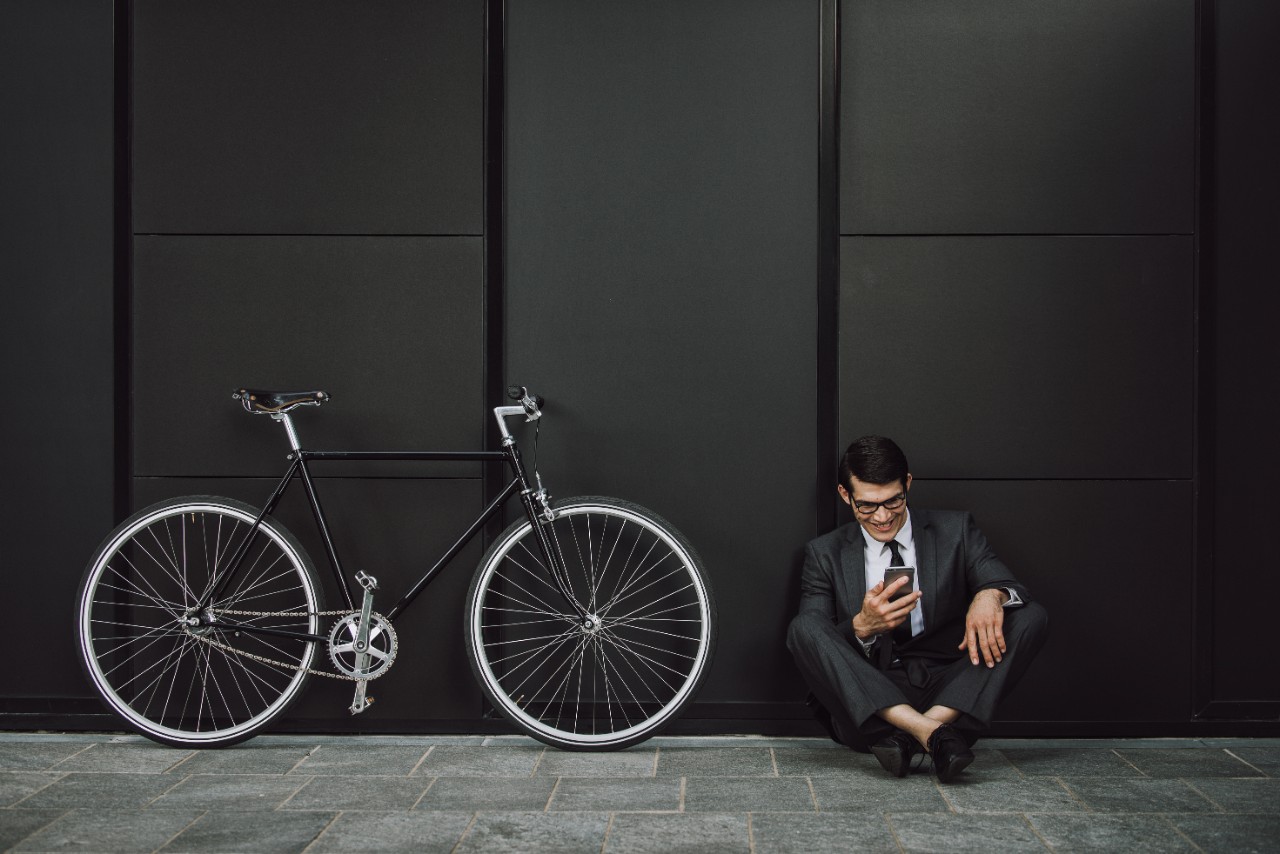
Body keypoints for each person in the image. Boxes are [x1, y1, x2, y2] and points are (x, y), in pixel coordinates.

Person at [786, 436, 1048, 782]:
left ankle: (922, 731)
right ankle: (930, 734)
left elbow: (1010, 586)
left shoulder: (956, 531)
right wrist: (862, 626)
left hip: (951, 693)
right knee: (803, 627)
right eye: (866, 506)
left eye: (893, 501)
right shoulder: (825, 554)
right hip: (870, 705)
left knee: (1031, 617)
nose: (882, 517)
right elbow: (815, 639)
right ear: (845, 495)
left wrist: (991, 595)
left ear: (907, 484)